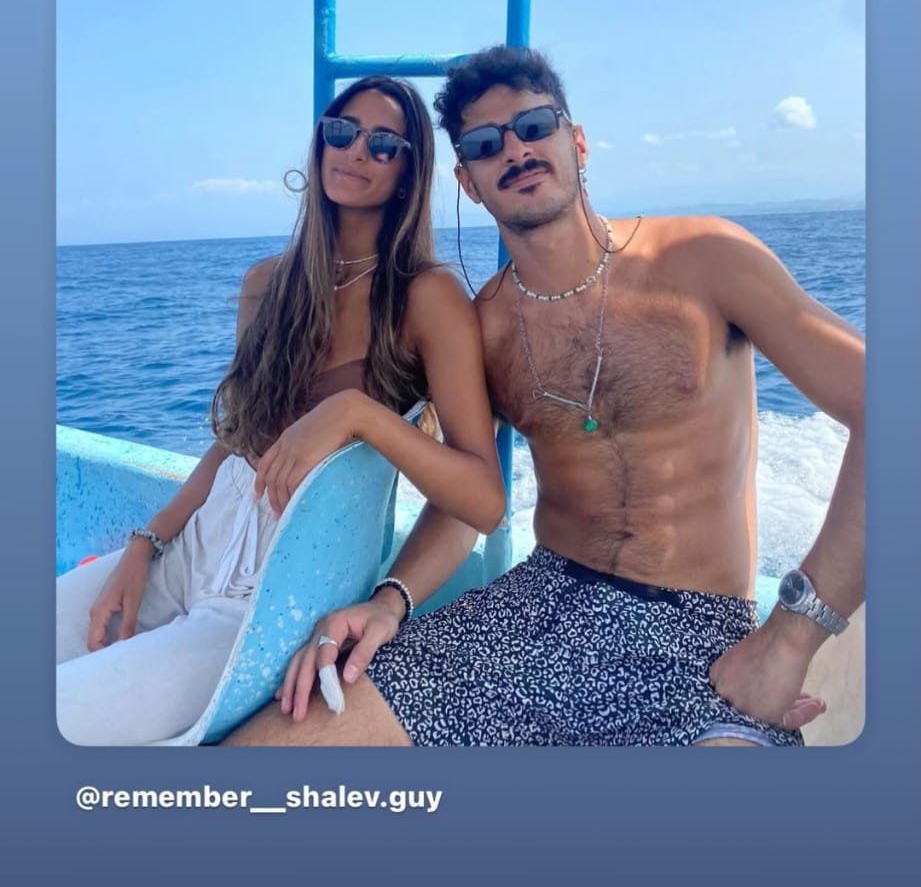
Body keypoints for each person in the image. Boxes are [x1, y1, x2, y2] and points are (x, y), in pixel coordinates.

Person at [225, 45, 865, 751]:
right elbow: (465, 496)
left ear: (576, 141)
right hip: (531, 613)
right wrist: (390, 600)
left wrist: (791, 636)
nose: (515, 150)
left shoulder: (702, 259)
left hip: (697, 639)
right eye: (484, 144)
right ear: (468, 183)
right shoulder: (486, 325)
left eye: (534, 126)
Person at [56, 77, 505, 743]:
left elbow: (483, 502)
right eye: (342, 132)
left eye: (383, 143)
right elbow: (237, 443)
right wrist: (144, 547)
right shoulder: (266, 284)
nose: (356, 150)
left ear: (409, 172)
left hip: (276, 593)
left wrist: (358, 413)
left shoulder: (427, 297)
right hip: (192, 548)